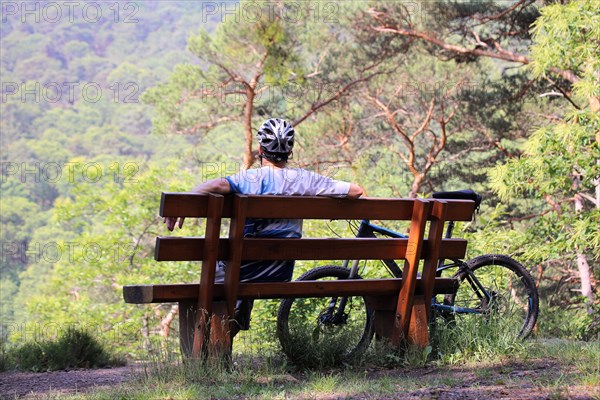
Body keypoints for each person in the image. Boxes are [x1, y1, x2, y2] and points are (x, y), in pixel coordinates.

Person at [164, 118, 363, 335]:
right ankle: (234, 318)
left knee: (216, 280)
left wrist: (183, 203)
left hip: (242, 270)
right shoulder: (306, 179)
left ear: (260, 150)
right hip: (279, 273)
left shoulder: (250, 178)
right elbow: (355, 191)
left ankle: (206, 349)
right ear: (290, 151)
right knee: (237, 276)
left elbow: (218, 184)